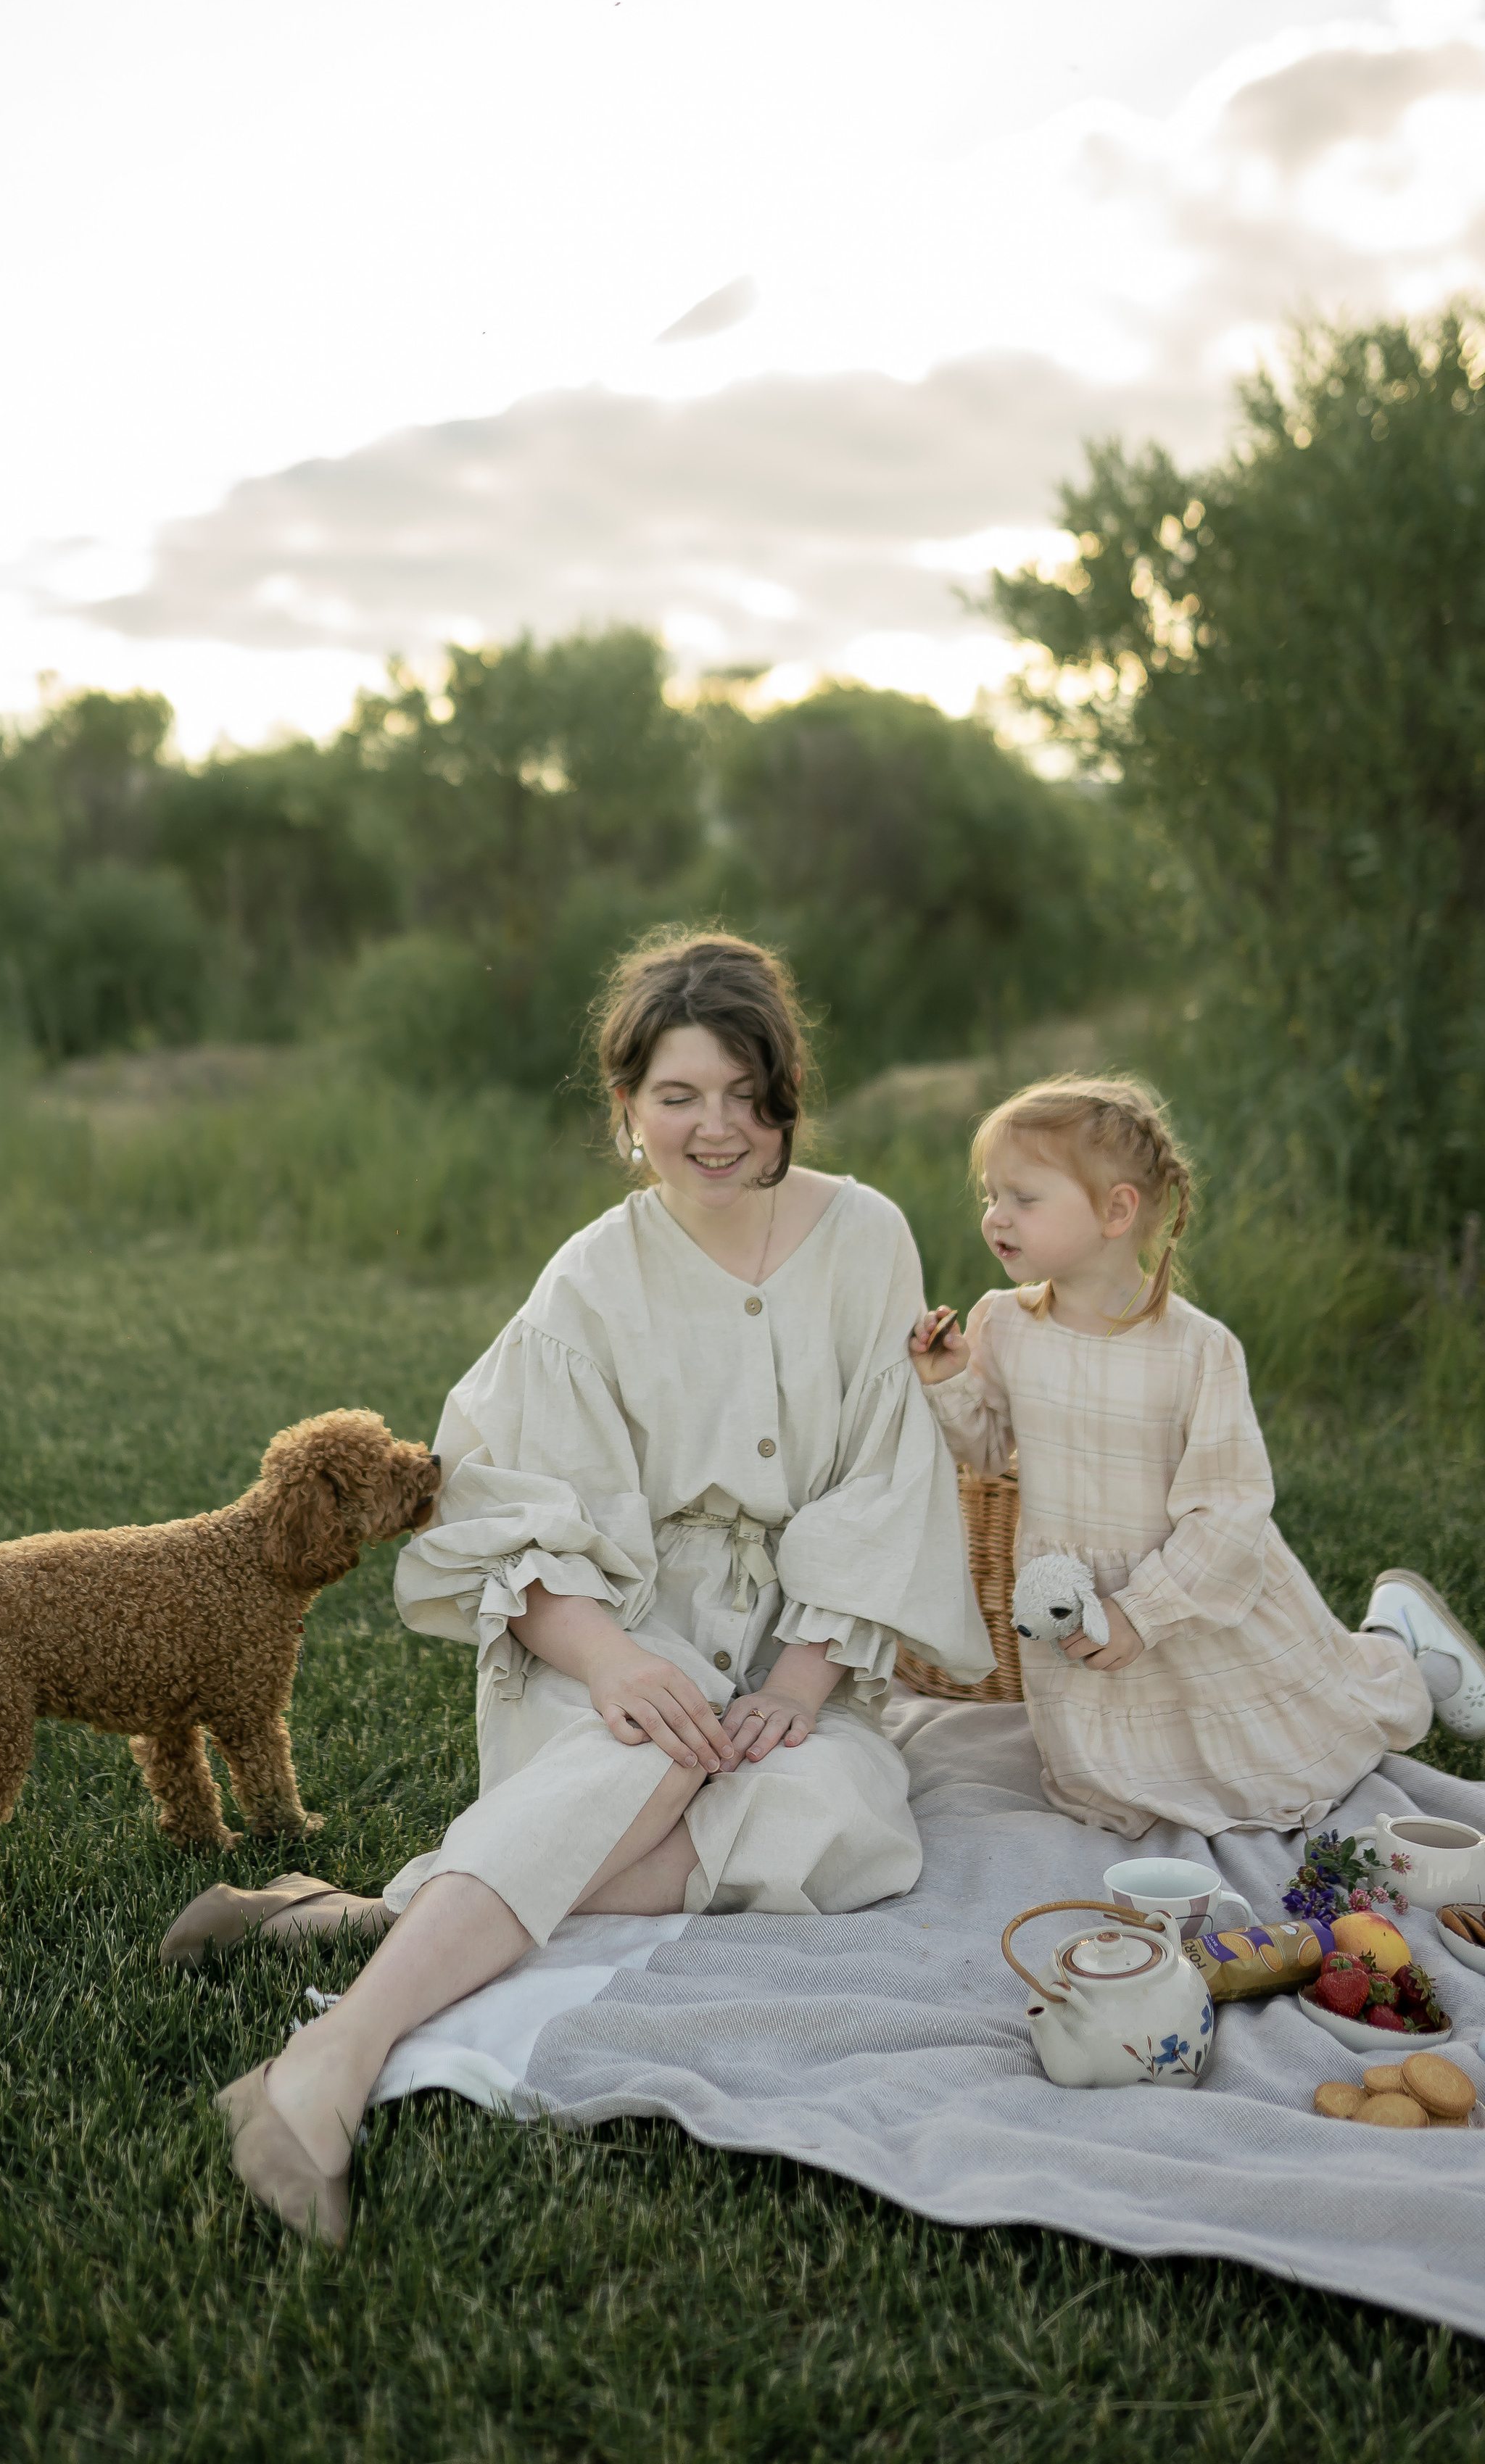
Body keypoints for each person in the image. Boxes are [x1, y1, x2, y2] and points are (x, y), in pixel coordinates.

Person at [209, 931, 992, 2241]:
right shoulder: (590, 1276)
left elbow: (881, 1479)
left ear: (787, 1091)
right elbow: (503, 1516)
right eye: (679, 1097)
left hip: (797, 1640)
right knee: (652, 1747)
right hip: (607, 1633)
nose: (718, 1128)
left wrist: (803, 1681)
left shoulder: (866, 1238)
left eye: (746, 1094)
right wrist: (622, 1666)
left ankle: (380, 1911)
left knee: (844, 1826)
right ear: (627, 1108)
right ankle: (325, 2066)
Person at [909, 1074, 1485, 1841]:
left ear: (1117, 1210)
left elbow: (1229, 1509)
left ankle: (1400, 1650)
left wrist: (1140, 1614)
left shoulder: (1196, 1349)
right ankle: (1376, 1643)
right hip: (1077, 1602)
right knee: (1109, 1794)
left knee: (1300, 1752)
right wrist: (947, 1381)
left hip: (1195, 1599)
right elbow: (984, 1451)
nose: (995, 1217)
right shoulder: (1004, 1324)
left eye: (1023, 1198)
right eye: (990, 1195)